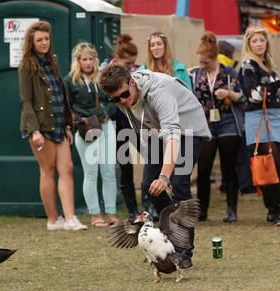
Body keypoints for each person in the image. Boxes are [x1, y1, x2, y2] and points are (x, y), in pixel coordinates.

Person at [99, 64, 211, 269]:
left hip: (188, 129)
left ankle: (184, 251)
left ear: (132, 82)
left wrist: (165, 177)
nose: (122, 101)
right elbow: (141, 123)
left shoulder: (159, 91)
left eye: (124, 94)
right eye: (116, 99)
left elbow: (173, 135)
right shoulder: (123, 96)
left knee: (178, 183)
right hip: (159, 131)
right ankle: (170, 232)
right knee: (150, 186)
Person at [18, 21, 87, 231]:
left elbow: (61, 94)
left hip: (59, 124)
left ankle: (70, 218)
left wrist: (68, 125)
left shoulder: (52, 61)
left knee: (67, 168)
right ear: (32, 42)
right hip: (40, 126)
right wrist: (34, 130)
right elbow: (26, 101)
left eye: (46, 38)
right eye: (39, 39)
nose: (44, 42)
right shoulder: (26, 65)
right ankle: (53, 220)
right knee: (47, 171)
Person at [238, 26, 280, 226]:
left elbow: (273, 96)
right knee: (270, 163)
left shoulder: (268, 64)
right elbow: (254, 94)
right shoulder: (248, 65)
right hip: (258, 117)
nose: (259, 44)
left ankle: (272, 209)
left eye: (262, 40)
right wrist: (279, 83)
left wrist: (277, 84)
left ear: (266, 42)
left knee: (273, 162)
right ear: (249, 44)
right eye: (255, 41)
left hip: (275, 117)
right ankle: (279, 209)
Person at [190, 31, 246, 223]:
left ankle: (232, 209)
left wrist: (229, 93)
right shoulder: (196, 74)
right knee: (203, 169)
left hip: (228, 122)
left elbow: (243, 96)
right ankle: (202, 210)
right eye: (201, 62)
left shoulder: (229, 72)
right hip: (205, 124)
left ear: (215, 58)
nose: (203, 65)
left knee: (228, 167)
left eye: (206, 62)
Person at [64, 42, 119, 227]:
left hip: (105, 126)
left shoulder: (102, 78)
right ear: (78, 61)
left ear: (95, 60)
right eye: (84, 59)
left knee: (109, 171)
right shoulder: (70, 80)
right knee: (91, 172)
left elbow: (114, 99)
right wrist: (79, 119)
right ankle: (95, 215)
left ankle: (111, 214)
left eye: (90, 59)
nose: (88, 62)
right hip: (86, 128)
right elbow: (67, 106)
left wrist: (106, 111)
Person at [108, 34, 157, 220]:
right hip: (117, 124)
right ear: (118, 59)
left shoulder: (137, 72)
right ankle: (132, 210)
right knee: (125, 165)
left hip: (136, 122)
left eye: (133, 63)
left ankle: (149, 205)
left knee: (150, 159)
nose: (131, 67)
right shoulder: (108, 72)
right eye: (127, 63)